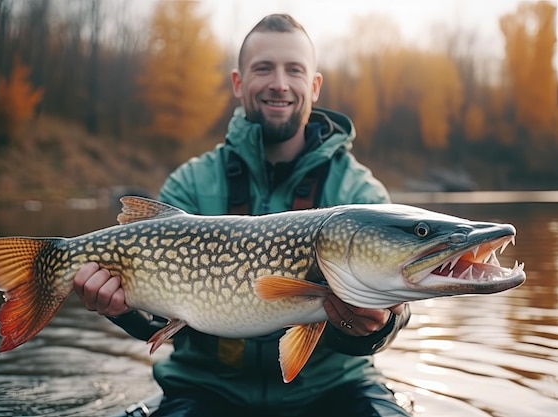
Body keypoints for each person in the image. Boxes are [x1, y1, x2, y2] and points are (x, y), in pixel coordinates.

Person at [73, 14, 412, 417]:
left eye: (294, 70)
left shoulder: (361, 196)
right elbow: (160, 321)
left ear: (314, 86)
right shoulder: (191, 183)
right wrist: (124, 309)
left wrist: (378, 325)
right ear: (238, 83)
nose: (279, 83)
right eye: (263, 68)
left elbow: (397, 310)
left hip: (334, 389)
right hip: (206, 389)